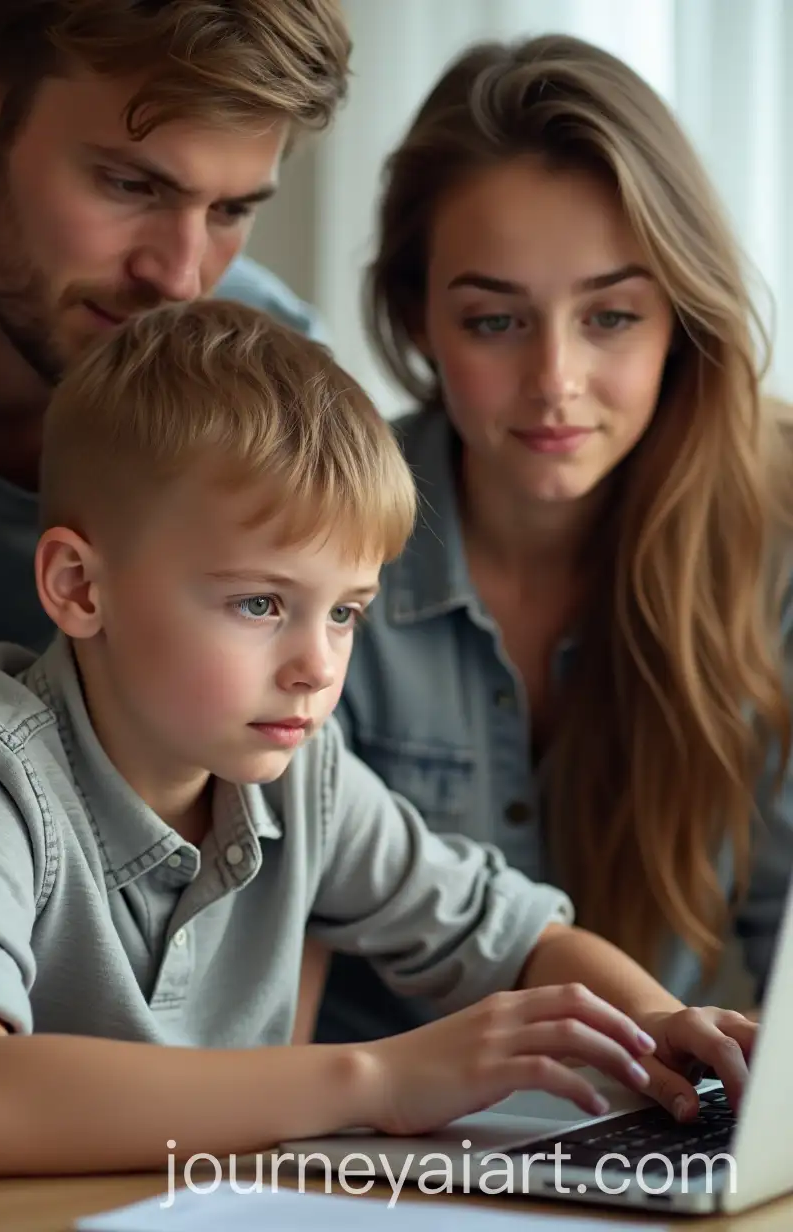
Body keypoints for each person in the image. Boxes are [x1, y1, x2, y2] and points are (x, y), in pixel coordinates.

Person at [0, 301, 756, 1177]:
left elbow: (518, 935)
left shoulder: (300, 775)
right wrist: (373, 1077)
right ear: (80, 588)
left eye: (346, 612)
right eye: (260, 604)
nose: (316, 666)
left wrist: (659, 1021)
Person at [311, 34, 793, 1047]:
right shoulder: (309, 537)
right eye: (495, 321)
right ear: (417, 317)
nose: (555, 379)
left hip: (657, 1137)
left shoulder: (773, 536)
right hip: (361, 1152)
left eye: (611, 315)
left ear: (681, 317)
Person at [0, 0, 349, 815]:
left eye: (231, 211)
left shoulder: (277, 391)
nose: (182, 278)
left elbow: (303, 845)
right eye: (130, 184)